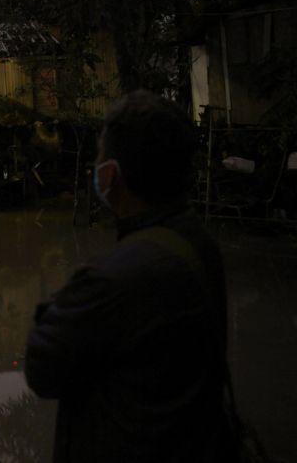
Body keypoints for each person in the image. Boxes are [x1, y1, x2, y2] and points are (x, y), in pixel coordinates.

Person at [24, 90, 231, 462]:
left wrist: (67, 295)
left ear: (113, 175)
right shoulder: (196, 242)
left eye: (100, 154)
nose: (94, 165)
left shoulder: (113, 279)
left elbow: (42, 366)